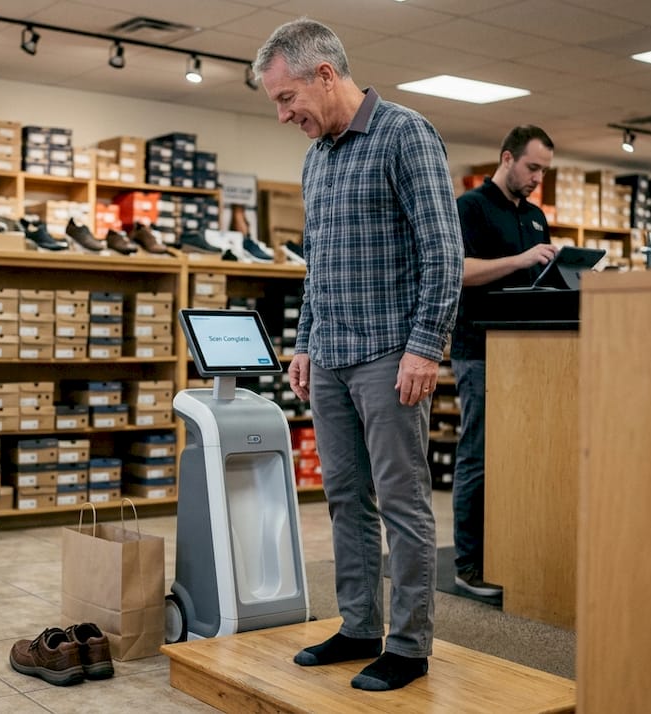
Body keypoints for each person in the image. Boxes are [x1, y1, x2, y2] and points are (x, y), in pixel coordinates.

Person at [253, 18, 463, 692]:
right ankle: (359, 625)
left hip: (390, 355)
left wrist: (425, 346)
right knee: (344, 496)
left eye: (287, 99)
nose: (285, 115)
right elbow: (317, 266)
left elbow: (444, 252)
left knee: (402, 501)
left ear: (324, 74)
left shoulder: (406, 135)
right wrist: (306, 341)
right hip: (333, 354)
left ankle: (407, 644)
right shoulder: (317, 159)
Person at [450, 126, 557, 598]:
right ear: (507, 157)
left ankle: (510, 551)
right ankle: (468, 563)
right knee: (480, 455)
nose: (537, 178)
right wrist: (521, 259)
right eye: (532, 167)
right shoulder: (469, 208)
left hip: (529, 354)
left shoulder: (535, 217)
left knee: (520, 458)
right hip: (479, 350)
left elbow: (540, 280)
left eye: (544, 171)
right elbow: (460, 270)